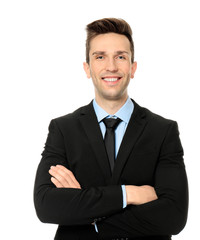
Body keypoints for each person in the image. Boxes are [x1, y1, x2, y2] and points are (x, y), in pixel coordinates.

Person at [34, 18, 188, 240]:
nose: (111, 66)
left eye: (121, 57)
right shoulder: (63, 129)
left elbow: (174, 216)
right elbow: (46, 206)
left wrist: (86, 212)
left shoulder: (163, 131)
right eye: (100, 57)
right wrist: (129, 194)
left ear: (133, 68)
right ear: (87, 68)